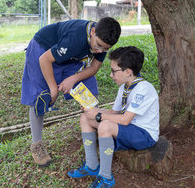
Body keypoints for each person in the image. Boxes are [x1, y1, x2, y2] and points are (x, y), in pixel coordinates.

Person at [21, 17, 121, 166]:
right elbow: (45, 59)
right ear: (93, 32)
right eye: (98, 46)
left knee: (89, 91)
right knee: (41, 97)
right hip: (43, 51)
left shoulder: (102, 39)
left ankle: (98, 134)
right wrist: (54, 88)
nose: (100, 51)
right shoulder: (76, 37)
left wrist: (73, 79)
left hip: (69, 56)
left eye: (105, 49)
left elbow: (93, 68)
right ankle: (37, 146)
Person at [67, 46, 159, 188]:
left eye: (114, 71)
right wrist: (93, 110)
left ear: (128, 72)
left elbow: (124, 119)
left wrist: (98, 116)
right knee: (85, 118)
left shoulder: (144, 88)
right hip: (128, 128)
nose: (111, 75)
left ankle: (106, 177)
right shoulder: (124, 86)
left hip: (144, 135)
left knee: (105, 125)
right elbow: (114, 113)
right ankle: (91, 165)